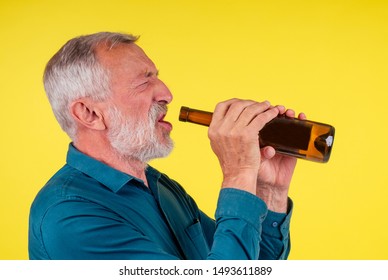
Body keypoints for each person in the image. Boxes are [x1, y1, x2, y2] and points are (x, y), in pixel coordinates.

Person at [29, 32, 305, 260]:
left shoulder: (160, 187)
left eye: (157, 77)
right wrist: (239, 172)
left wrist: (270, 190)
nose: (167, 94)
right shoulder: (70, 216)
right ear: (89, 114)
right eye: (143, 81)